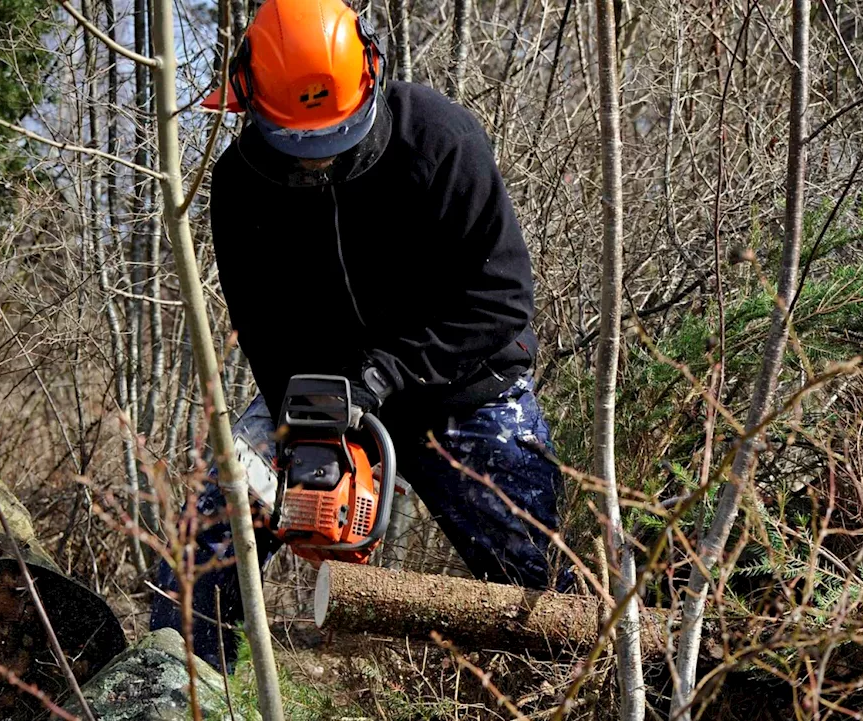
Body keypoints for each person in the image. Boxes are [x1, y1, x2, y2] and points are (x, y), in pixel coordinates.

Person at [149, 0, 570, 671]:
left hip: (460, 384)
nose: (316, 162)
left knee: (538, 575)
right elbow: (261, 324)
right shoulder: (241, 183)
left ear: (371, 76)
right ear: (252, 104)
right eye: (297, 144)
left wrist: (386, 374)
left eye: (334, 137)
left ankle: (567, 686)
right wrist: (307, 418)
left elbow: (501, 303)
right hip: (324, 387)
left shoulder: (440, 141)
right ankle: (183, 691)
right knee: (204, 536)